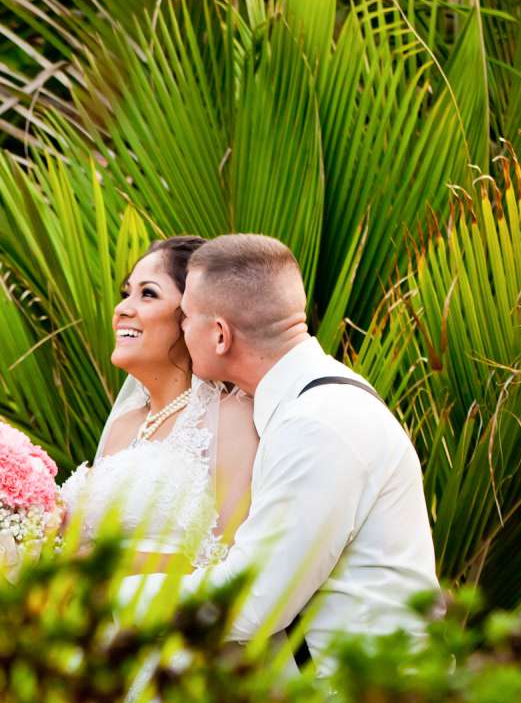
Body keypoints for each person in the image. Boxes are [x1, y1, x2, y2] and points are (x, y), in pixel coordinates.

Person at [178, 233, 437, 663]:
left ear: (220, 334)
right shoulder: (310, 402)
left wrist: (110, 598)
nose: (181, 330)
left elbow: (253, 601)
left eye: (186, 317)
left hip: (361, 701)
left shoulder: (316, 423)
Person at [60, 236, 257, 577]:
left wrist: (106, 563)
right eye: (126, 294)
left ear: (191, 316)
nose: (122, 309)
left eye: (148, 293)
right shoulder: (124, 424)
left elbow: (227, 562)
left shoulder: (233, 418)